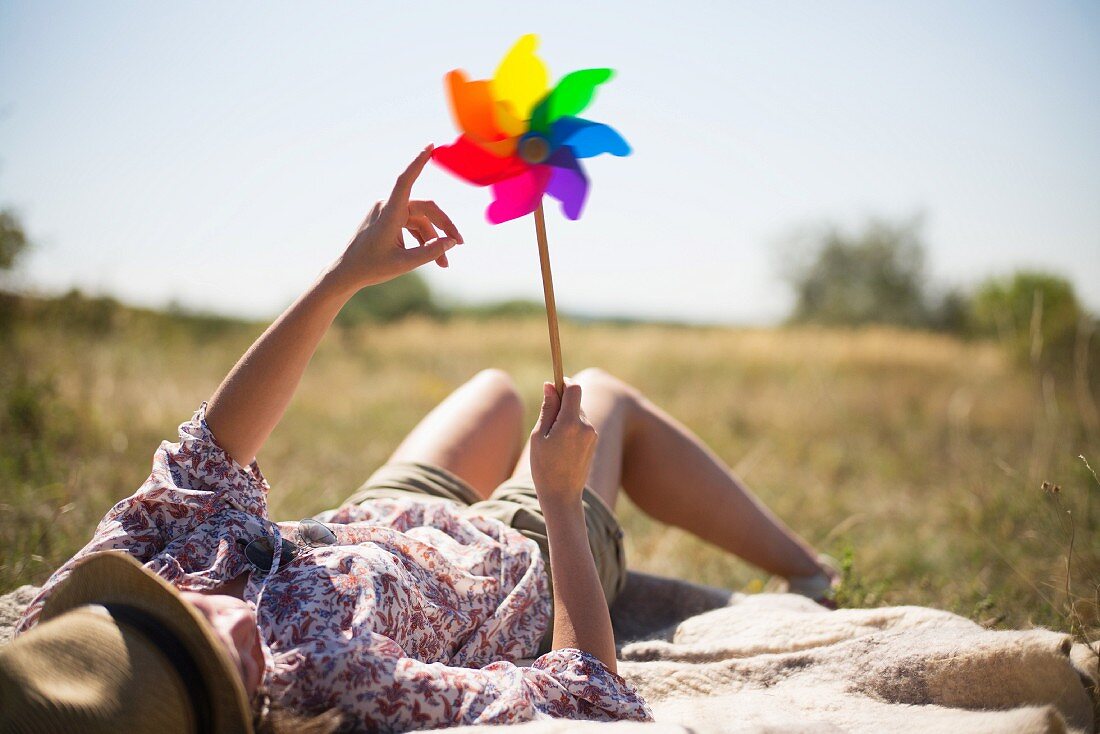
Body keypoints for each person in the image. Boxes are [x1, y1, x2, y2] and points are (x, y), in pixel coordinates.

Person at [0, 146, 835, 733]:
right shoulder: (329, 685)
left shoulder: (112, 581)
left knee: (493, 393)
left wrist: (343, 276)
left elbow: (209, 451)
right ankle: (813, 573)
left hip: (378, 520)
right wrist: (556, 501)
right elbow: (587, 692)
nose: (232, 627)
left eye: (184, 617)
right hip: (514, 564)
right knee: (606, 395)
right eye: (224, 662)